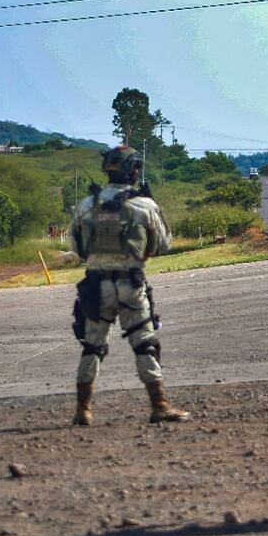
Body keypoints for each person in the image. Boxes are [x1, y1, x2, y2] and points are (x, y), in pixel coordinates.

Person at [68, 146, 190, 426]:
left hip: (95, 286)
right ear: (133, 171)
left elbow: (76, 247)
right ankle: (159, 404)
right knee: (144, 344)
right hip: (131, 285)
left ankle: (83, 410)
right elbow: (163, 245)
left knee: (93, 346)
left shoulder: (87, 204)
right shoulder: (145, 206)